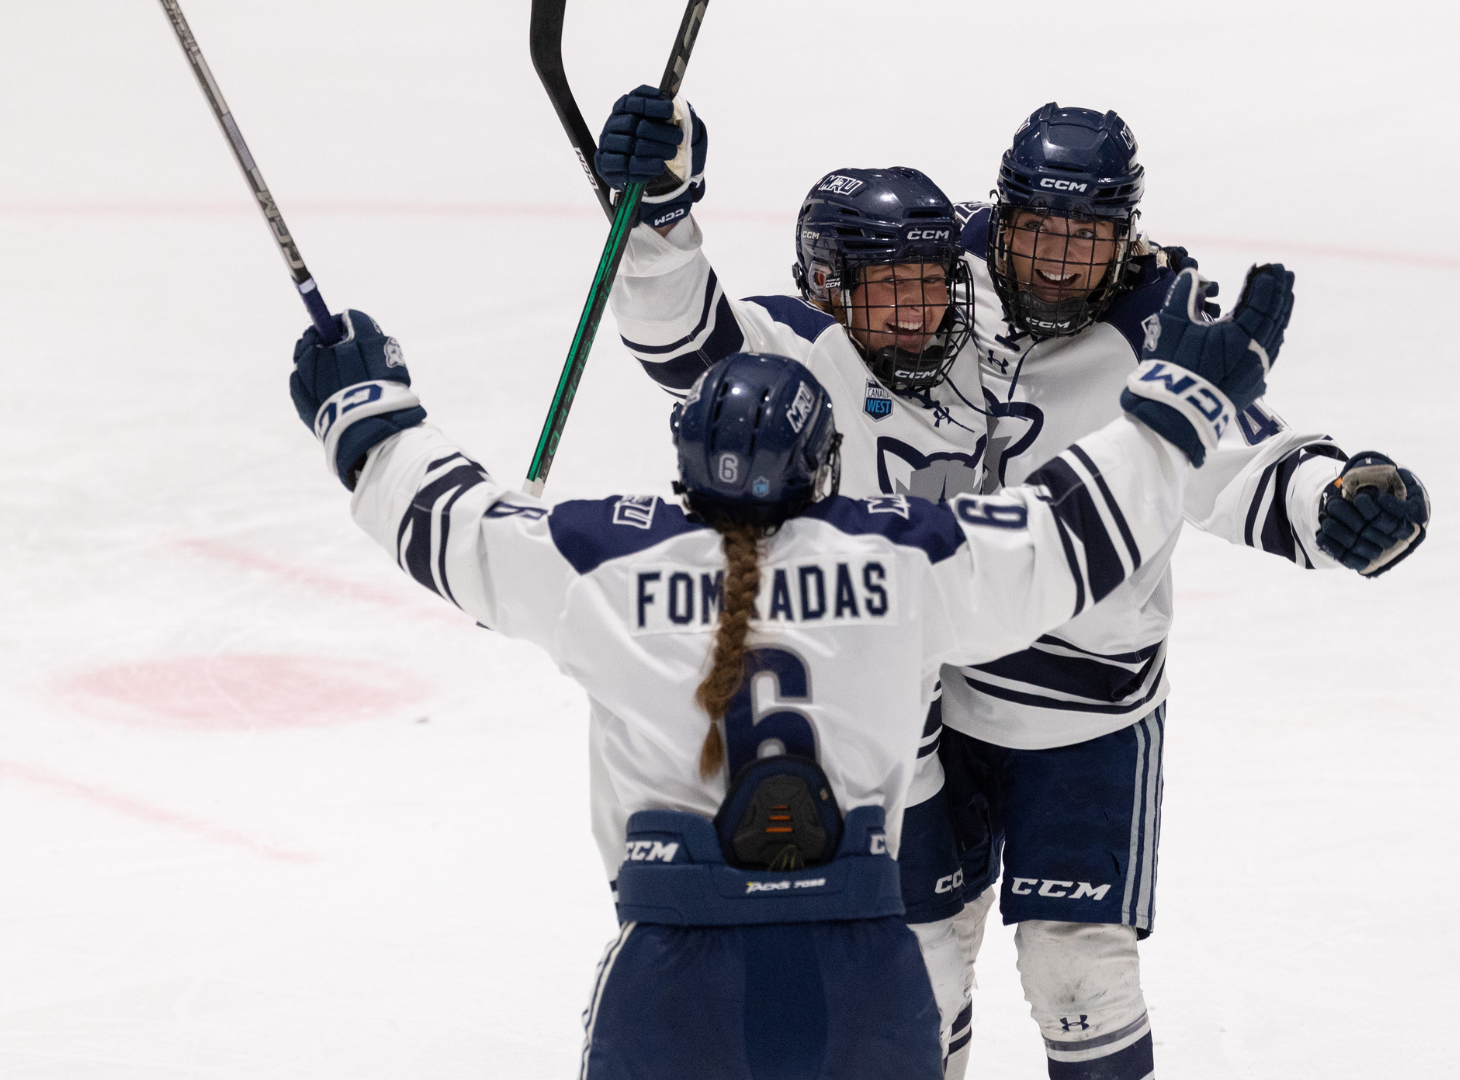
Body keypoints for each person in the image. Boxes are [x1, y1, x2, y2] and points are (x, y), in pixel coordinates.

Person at [281, 240, 1289, 1077]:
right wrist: (1179, 409)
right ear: (821, 465)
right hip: (862, 967)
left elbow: (442, 522)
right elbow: (1071, 535)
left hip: (673, 971)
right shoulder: (902, 557)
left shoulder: (600, 562)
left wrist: (366, 414)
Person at [932, 104, 1434, 1080]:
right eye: (1039, 230)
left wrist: (1335, 500)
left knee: (1079, 974)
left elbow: (1244, 456)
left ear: (1127, 239)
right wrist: (661, 213)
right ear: (1003, 216)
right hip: (930, 697)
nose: (1059, 262)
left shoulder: (1162, 328)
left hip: (1088, 718)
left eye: (1087, 237)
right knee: (920, 961)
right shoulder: (937, 274)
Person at [595, 86, 1005, 1064]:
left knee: (956, 946)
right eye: (886, 289)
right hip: (862, 719)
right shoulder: (795, 350)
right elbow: (678, 336)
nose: (916, 312)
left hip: (993, 685)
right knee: (886, 955)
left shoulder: (982, 347)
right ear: (824, 285)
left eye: (931, 285)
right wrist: (661, 213)